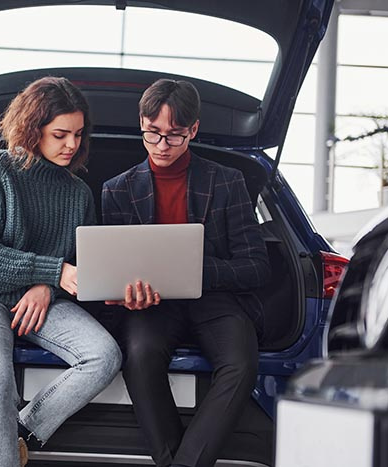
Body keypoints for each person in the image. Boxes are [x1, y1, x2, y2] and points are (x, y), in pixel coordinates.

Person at [0, 76, 122, 467]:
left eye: (77, 134)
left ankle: (14, 433)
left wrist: (48, 286)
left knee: (104, 356)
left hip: (38, 299)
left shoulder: (78, 193)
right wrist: (51, 273)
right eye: (60, 134)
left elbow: (78, 264)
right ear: (31, 128)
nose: (71, 145)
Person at [102, 78, 271, 467]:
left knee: (241, 363)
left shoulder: (228, 182)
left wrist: (195, 272)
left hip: (216, 300)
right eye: (152, 134)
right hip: (152, 305)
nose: (162, 145)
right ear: (141, 123)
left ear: (193, 130)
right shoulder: (117, 190)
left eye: (174, 136)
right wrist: (126, 289)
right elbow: (114, 266)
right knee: (140, 355)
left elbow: (256, 266)